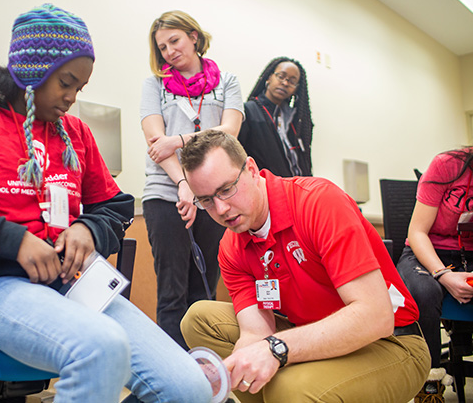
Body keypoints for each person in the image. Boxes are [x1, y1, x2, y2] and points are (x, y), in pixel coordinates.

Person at [0, 4, 212, 403]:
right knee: (100, 349)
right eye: (65, 83)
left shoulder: (75, 133)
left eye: (79, 88)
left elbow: (114, 206)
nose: (71, 98)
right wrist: (10, 239)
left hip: (73, 288)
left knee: (191, 387)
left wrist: (88, 229)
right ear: (31, 70)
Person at [179, 130, 430, 402]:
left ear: (251, 169)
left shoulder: (317, 203)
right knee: (199, 318)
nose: (221, 209)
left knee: (289, 389)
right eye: (206, 200)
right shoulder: (232, 246)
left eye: (226, 189)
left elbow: (376, 316)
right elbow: (255, 332)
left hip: (389, 342)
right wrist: (228, 371)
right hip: (311, 336)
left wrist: (277, 349)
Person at [140, 10, 244, 349]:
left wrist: (180, 140)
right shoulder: (153, 85)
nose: (169, 51)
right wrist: (184, 184)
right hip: (164, 192)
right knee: (172, 290)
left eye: (175, 41)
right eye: (162, 47)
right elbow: (157, 141)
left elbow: (229, 130)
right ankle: (171, 382)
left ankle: (205, 377)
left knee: (205, 287)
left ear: (194, 37)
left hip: (213, 195)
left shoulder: (226, 82)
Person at [396, 148, 473, 402]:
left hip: (468, 256)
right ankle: (427, 387)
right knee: (423, 292)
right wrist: (443, 275)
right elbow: (417, 231)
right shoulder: (448, 165)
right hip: (427, 251)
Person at [238, 57, 313, 177]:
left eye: (292, 81)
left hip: (298, 189)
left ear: (296, 89)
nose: (285, 83)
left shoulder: (297, 121)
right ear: (269, 78)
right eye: (281, 76)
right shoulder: (248, 111)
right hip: (267, 189)